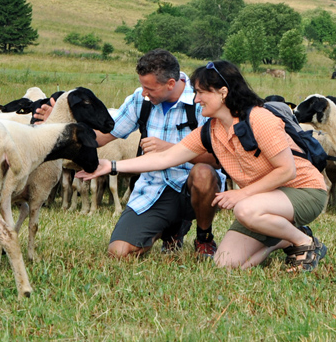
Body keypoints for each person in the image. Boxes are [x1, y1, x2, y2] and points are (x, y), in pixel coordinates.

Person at [78, 59, 329, 272]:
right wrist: (110, 166)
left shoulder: (260, 119)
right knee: (226, 264)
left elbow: (287, 170)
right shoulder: (211, 131)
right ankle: (282, 239)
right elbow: (165, 158)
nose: (196, 99)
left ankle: (305, 243)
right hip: (261, 200)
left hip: (301, 191)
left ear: (223, 92)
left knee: (244, 209)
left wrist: (241, 194)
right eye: (195, 92)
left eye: (201, 92)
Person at [35, 49, 221, 258]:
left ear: (170, 83)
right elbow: (101, 137)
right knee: (119, 252)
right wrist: (60, 124)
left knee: (203, 173)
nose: (144, 93)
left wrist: (170, 149)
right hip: (154, 187)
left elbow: (218, 159)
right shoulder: (140, 100)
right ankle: (171, 229)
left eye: (149, 88)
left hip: (192, 185)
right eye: (142, 86)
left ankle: (204, 237)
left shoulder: (202, 102)